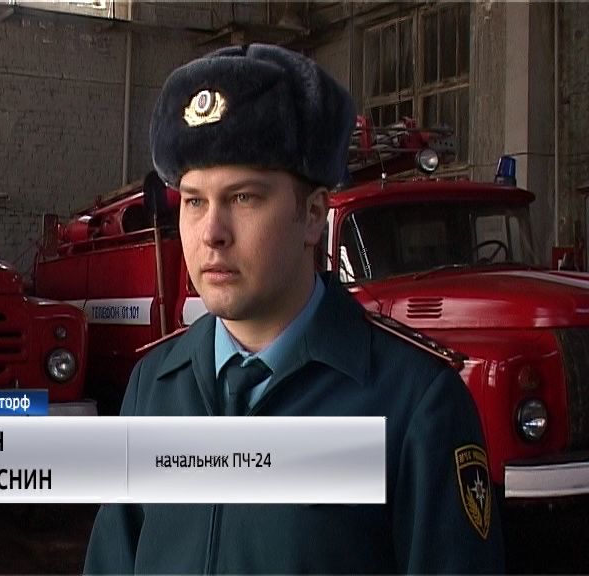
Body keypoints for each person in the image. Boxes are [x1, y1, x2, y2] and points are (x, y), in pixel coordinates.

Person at [85, 43, 504, 574]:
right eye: (194, 201)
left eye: (244, 198)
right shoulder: (153, 386)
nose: (211, 233)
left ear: (311, 215)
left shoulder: (414, 404)